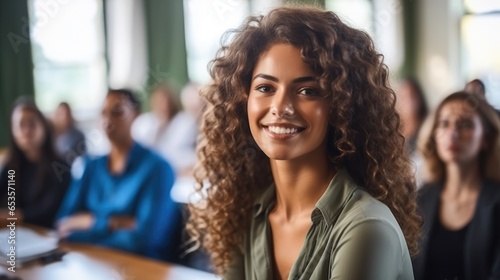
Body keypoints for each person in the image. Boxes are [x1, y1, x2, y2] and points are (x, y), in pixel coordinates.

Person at [187, 6, 420, 279]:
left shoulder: (366, 227)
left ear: (341, 106)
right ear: (243, 99)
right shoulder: (246, 213)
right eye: (265, 88)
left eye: (308, 91)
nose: (281, 107)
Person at [56, 89, 182, 260]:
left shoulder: (158, 168)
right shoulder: (90, 166)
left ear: (136, 114)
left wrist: (88, 223)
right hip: (91, 262)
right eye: (103, 113)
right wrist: (115, 222)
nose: (108, 120)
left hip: (142, 269)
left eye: (117, 112)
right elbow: (63, 223)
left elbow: (143, 240)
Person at [413, 92, 500, 280]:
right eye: (444, 124)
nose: (453, 133)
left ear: (485, 138)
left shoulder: (497, 201)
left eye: (465, 124)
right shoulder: (418, 199)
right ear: (434, 135)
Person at [0, 98, 70, 228]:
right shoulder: (12, 165)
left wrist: (7, 217)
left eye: (32, 124)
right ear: (13, 131)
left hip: (49, 234)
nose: (27, 131)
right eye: (21, 125)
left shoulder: (60, 166)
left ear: (43, 126)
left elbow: (46, 213)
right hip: (19, 233)